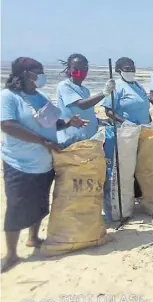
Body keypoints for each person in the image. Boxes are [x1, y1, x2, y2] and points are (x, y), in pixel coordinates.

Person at [1, 57, 88, 272]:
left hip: (45, 163)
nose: (41, 75)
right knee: (16, 205)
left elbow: (50, 122)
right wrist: (42, 141)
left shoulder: (40, 97)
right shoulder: (9, 97)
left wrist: (68, 122)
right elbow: (7, 125)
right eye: (37, 71)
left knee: (40, 203)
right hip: (19, 163)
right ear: (24, 74)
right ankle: (11, 253)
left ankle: (33, 238)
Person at [56, 53, 115, 147]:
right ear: (69, 69)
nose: (80, 72)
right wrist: (104, 93)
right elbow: (82, 105)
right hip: (70, 142)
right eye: (76, 68)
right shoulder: (64, 86)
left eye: (83, 69)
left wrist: (99, 121)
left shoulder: (85, 90)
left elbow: (86, 112)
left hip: (87, 141)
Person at [103, 57, 151, 125]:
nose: (131, 71)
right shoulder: (115, 86)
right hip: (126, 130)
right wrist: (125, 123)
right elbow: (108, 111)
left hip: (144, 128)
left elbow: (144, 107)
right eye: (127, 69)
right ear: (119, 70)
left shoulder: (138, 86)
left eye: (133, 68)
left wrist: (150, 123)